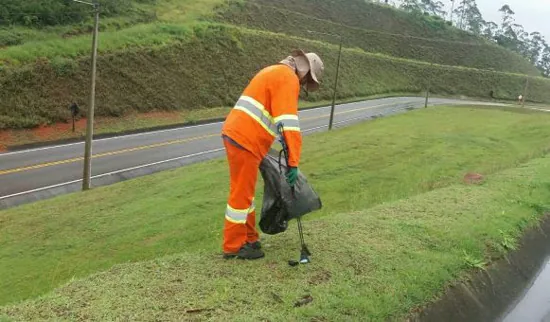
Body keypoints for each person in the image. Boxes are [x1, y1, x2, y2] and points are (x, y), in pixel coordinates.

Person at [220, 50, 324, 260]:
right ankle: (233, 246)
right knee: (241, 193)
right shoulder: (288, 78)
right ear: (305, 72)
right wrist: (293, 163)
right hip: (245, 139)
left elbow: (275, 118)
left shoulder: (274, 71)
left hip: (239, 136)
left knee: (245, 192)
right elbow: (288, 124)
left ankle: (248, 238)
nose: (303, 85)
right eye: (306, 81)